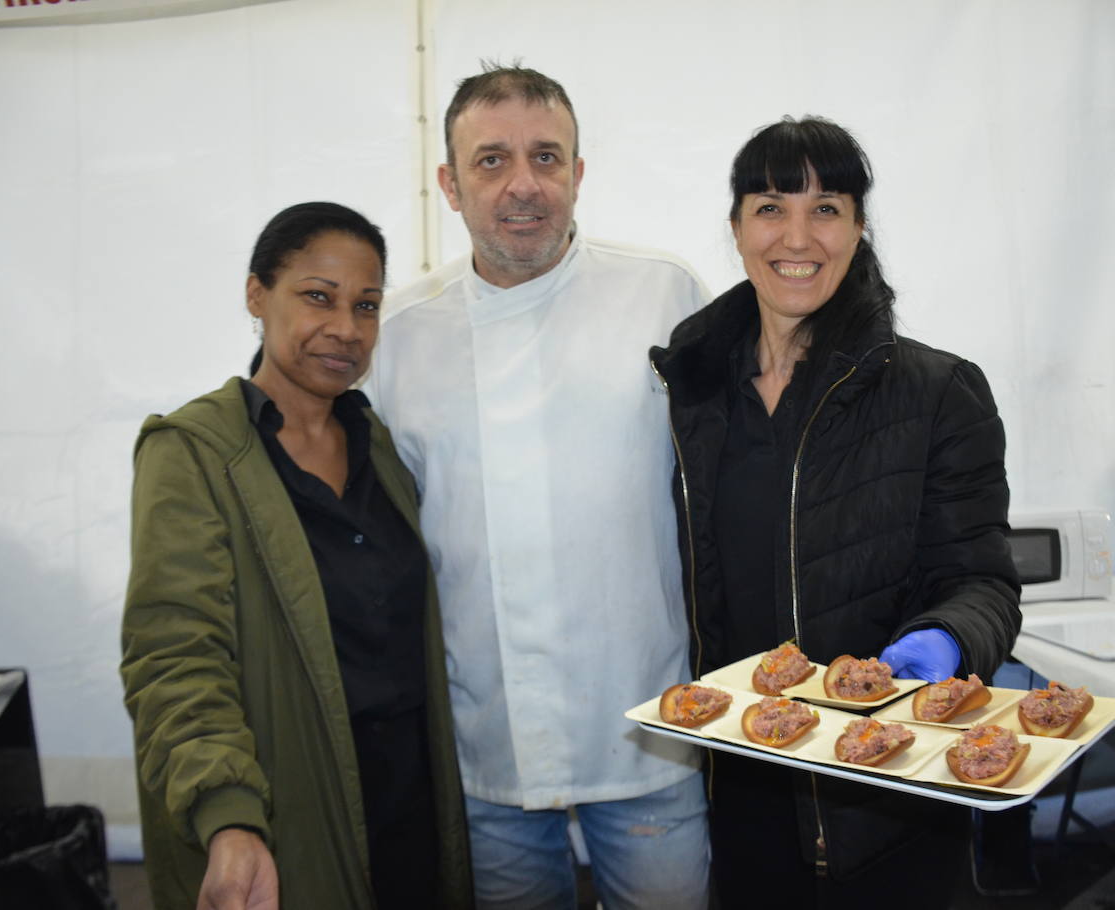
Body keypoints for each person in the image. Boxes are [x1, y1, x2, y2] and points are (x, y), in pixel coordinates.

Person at [648, 117, 1022, 905]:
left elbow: (984, 580)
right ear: (736, 227)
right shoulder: (693, 391)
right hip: (742, 791)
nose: (798, 235)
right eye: (771, 206)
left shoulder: (936, 394)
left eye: (826, 208)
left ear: (858, 228)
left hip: (890, 795)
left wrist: (946, 638)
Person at [368, 65, 710, 910]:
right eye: (491, 161)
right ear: (448, 185)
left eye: (546, 157)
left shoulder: (663, 294)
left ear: (579, 173)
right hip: (485, 740)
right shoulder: (400, 336)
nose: (523, 185)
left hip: (652, 727)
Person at [120, 202, 473, 910]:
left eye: (366, 305)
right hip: (286, 814)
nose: (345, 328)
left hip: (412, 806)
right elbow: (172, 655)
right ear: (257, 294)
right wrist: (228, 817)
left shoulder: (379, 445)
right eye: (317, 296)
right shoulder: (196, 453)